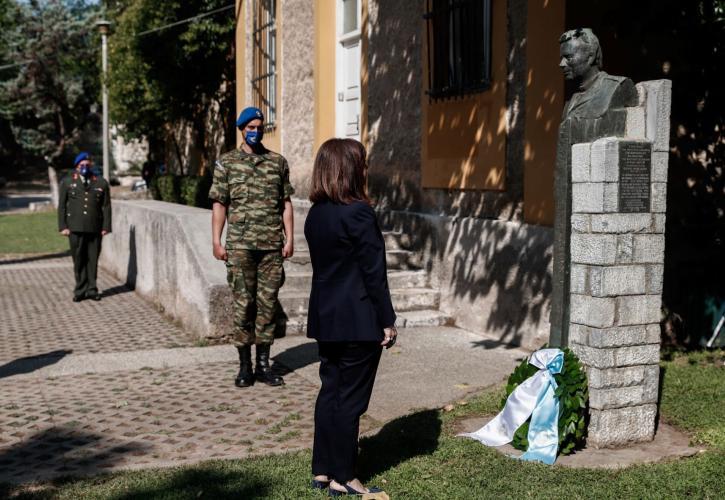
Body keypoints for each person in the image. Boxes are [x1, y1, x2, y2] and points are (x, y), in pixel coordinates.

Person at [305, 138, 397, 496]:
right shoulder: (358, 211)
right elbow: (374, 272)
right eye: (362, 162)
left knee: (330, 391)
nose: (366, 169)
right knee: (351, 400)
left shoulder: (316, 213)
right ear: (349, 169)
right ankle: (345, 475)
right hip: (358, 319)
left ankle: (322, 470)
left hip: (327, 318)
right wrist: (386, 320)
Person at [209, 107, 294, 387]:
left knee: (267, 307)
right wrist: (216, 241)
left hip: (271, 247)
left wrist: (290, 238)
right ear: (242, 129)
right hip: (240, 247)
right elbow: (219, 203)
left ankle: (263, 365)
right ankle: (244, 366)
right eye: (250, 127)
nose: (255, 131)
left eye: (259, 126)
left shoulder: (277, 163)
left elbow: (285, 204)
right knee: (243, 307)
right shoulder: (227, 164)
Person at [57, 152, 112, 302]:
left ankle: (92, 289)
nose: (85, 167)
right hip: (74, 228)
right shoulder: (68, 182)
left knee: (92, 259)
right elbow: (62, 206)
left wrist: (106, 226)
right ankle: (80, 290)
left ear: (91, 165)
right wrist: (63, 226)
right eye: (82, 165)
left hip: (95, 227)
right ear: (76, 167)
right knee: (79, 259)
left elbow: (106, 207)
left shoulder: (101, 182)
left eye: (87, 165)